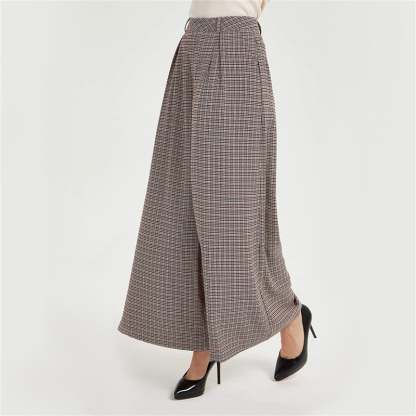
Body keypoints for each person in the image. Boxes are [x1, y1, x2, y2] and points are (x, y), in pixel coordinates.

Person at [118, 0, 317, 400]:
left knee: (232, 213)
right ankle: (205, 341)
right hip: (193, 44)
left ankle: (286, 316)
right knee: (181, 205)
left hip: (236, 50)